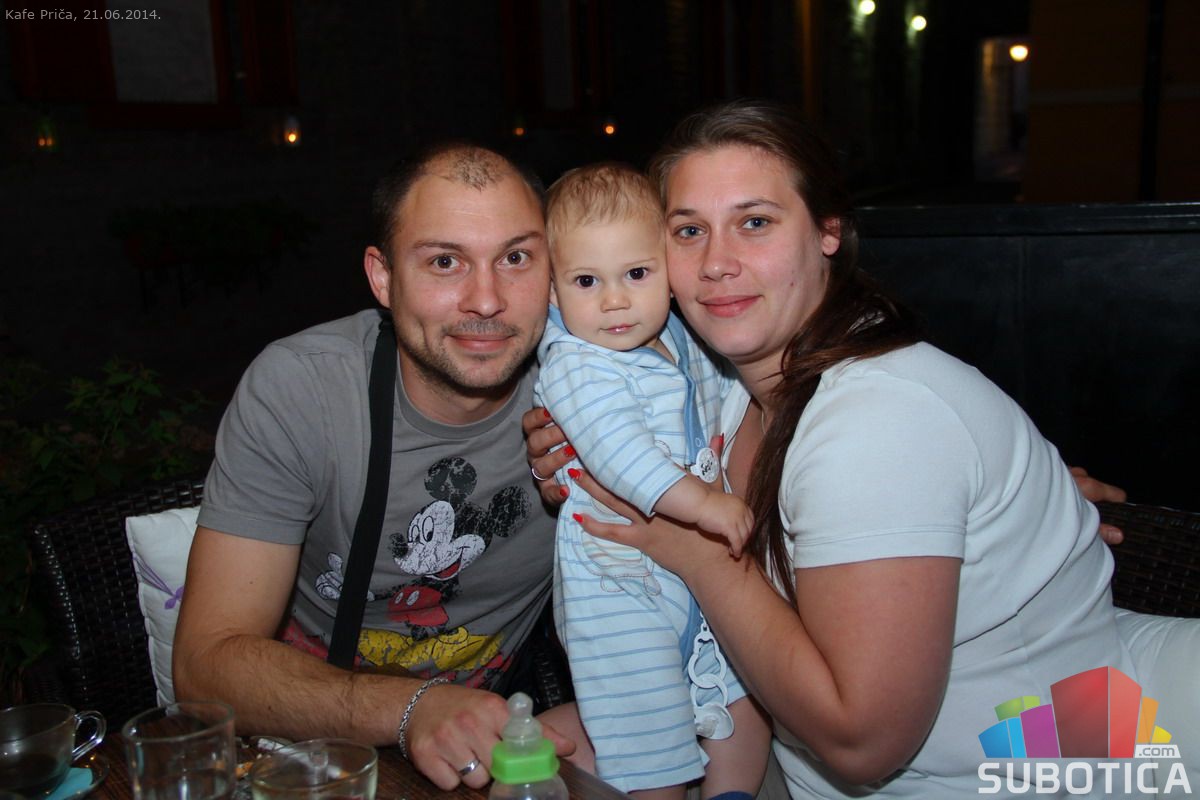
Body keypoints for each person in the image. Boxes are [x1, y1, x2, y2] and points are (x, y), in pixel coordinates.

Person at [529, 100, 1200, 797]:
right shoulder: (727, 385)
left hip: (994, 776)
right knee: (518, 757)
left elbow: (861, 747)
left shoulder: (879, 421)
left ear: (828, 231)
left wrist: (696, 551)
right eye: (689, 230)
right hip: (781, 742)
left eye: (754, 222)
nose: (717, 263)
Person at [173, 143, 584, 792]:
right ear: (383, 277)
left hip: (496, 742)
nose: (486, 300)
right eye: (444, 261)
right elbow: (204, 667)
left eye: (515, 258)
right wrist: (411, 709)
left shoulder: (600, 394)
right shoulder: (304, 390)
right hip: (312, 749)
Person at [533, 163, 770, 798]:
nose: (614, 300)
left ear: (668, 269)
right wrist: (704, 505)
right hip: (617, 579)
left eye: (636, 274)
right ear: (553, 292)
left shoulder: (677, 338)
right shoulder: (576, 364)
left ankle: (732, 792)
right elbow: (619, 455)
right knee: (644, 724)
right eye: (587, 281)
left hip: (686, 565)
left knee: (743, 689)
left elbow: (726, 396)